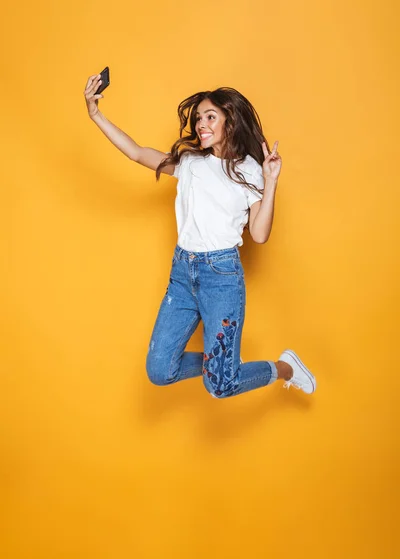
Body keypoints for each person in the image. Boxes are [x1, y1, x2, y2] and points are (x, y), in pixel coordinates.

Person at [84, 73, 317, 398]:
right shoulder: (191, 162)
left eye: (210, 117)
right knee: (160, 370)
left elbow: (260, 235)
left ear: (230, 122)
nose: (201, 124)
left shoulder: (249, 169)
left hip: (221, 279)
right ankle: (226, 363)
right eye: (198, 118)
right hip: (183, 274)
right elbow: (137, 152)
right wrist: (96, 114)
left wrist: (271, 180)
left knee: (220, 386)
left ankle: (284, 368)